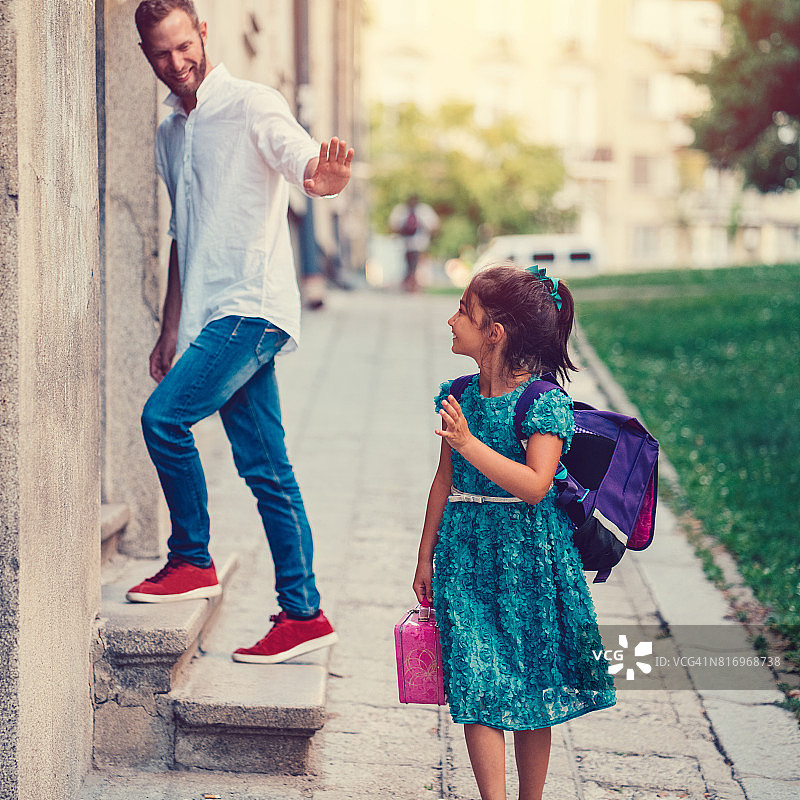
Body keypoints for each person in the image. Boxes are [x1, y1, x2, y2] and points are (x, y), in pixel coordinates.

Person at [126, 0, 354, 666]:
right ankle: (304, 612)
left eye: (183, 45)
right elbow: (179, 235)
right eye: (160, 53)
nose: (176, 62)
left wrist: (325, 176)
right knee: (267, 469)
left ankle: (191, 558)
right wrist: (170, 329)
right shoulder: (171, 133)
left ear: (203, 33)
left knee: (163, 420)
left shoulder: (254, 103)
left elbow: (305, 165)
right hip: (208, 316)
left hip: (249, 307)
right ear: (147, 56)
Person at [413, 265, 615, 800]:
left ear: (494, 334)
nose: (451, 319)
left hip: (529, 557)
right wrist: (424, 556)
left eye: (463, 311)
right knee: (475, 680)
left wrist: (469, 443)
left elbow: (535, 485)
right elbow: (444, 478)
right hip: (464, 552)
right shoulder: (457, 393)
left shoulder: (542, 402)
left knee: (528, 686)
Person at [389, 194, 439, 291]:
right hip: (404, 244)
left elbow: (435, 227)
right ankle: (409, 282)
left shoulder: (424, 211)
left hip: (420, 243)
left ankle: (413, 282)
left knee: (415, 263)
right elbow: (393, 227)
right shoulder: (400, 211)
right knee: (408, 264)